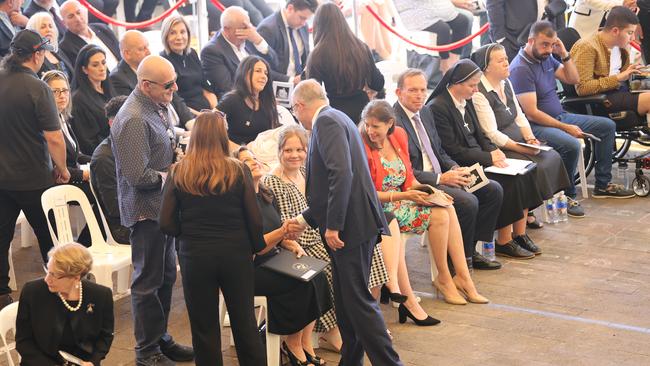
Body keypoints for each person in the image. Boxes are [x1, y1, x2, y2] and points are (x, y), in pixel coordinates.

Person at [288, 79, 403, 366]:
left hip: (349, 226)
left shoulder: (326, 122)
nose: (296, 115)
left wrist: (333, 225)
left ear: (300, 105)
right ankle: (350, 361)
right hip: (355, 221)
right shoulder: (337, 116)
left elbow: (341, 175)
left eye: (294, 109)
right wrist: (305, 219)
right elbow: (331, 181)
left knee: (359, 302)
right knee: (346, 302)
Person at [263, 126, 394, 352]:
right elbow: (283, 224)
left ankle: (361, 320)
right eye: (288, 150)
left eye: (300, 149)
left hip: (320, 232)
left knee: (374, 258)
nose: (295, 155)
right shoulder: (274, 181)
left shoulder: (306, 172)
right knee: (332, 268)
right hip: (299, 242)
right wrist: (293, 240)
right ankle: (334, 330)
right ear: (279, 152)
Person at [159, 112, 266, 366]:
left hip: (195, 255)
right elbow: (255, 219)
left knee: (204, 328)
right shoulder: (238, 170)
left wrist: (184, 235)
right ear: (222, 136)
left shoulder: (179, 172)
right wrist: (256, 247)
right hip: (235, 254)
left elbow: (165, 222)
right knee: (244, 324)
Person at [361, 99, 488, 307]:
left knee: (446, 206)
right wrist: (405, 196)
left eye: (375, 126)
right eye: (367, 124)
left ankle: (461, 276)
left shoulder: (399, 136)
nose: (370, 130)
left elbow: (409, 180)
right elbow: (367, 194)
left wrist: (430, 192)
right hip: (381, 207)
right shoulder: (363, 145)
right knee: (440, 215)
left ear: (390, 124)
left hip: (402, 199)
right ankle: (445, 279)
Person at [111, 55, 194, 366]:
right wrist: (172, 173)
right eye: (168, 84)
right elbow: (137, 176)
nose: (175, 87)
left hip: (163, 208)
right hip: (146, 212)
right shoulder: (133, 118)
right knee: (147, 283)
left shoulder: (156, 104)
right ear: (145, 85)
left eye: (174, 81)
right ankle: (146, 352)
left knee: (165, 276)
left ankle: (160, 339)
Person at [510, 21, 635, 216]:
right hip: (535, 126)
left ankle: (602, 184)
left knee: (607, 126)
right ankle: (566, 194)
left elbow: (574, 79)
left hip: (560, 116)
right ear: (531, 40)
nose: (548, 49)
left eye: (552, 44)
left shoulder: (546, 58)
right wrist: (565, 127)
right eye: (544, 44)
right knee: (571, 145)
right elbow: (532, 113)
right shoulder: (521, 68)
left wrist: (564, 54)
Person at [427, 59, 545, 258]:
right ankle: (491, 244)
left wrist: (494, 152)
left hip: (479, 159)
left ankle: (517, 234)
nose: (476, 90)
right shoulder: (438, 107)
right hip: (461, 165)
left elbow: (481, 135)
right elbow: (452, 150)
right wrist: (488, 157)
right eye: (472, 85)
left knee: (524, 172)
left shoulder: (468, 99)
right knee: (505, 184)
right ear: (457, 84)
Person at [393, 68, 503, 270]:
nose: (419, 95)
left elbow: (439, 150)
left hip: (442, 173)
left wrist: (455, 168)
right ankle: (457, 263)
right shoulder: (394, 122)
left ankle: (470, 250)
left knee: (492, 190)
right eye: (413, 90)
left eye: (423, 90)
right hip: (419, 184)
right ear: (399, 93)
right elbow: (403, 171)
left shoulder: (424, 111)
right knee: (467, 202)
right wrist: (441, 178)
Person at [234, 146, 332, 366]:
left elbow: (278, 233)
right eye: (247, 161)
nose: (254, 162)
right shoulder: (240, 201)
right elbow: (257, 246)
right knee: (300, 283)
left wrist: (292, 244)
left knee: (318, 274)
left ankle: (305, 342)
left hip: (274, 258)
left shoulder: (266, 194)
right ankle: (292, 344)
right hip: (252, 269)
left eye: (255, 158)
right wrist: (285, 231)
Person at [0, 29, 68, 308]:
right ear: (37, 55)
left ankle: (1, 293)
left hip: (1, 178)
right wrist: (62, 168)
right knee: (49, 236)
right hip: (33, 179)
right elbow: (54, 136)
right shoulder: (37, 87)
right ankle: (59, 287)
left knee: (1, 236)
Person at [471, 43, 571, 206]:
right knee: (536, 166)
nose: (506, 63)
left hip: (518, 139)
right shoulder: (479, 94)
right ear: (486, 67)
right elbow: (491, 133)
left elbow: (519, 115)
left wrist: (530, 138)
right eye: (500, 60)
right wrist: (521, 148)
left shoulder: (506, 82)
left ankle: (540, 205)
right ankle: (528, 209)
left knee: (552, 156)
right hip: (500, 146)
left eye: (506, 58)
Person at [16, 243, 114, 366]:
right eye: (48, 270)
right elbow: (23, 341)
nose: (47, 279)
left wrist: (92, 362)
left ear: (76, 277)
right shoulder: (32, 291)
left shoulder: (101, 295)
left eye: (54, 275)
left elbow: (105, 336)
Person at [43, 69, 106, 247]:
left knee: (109, 186)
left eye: (64, 90)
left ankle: (86, 243)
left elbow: (76, 155)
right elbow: (54, 168)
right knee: (106, 192)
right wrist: (85, 175)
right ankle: (85, 245)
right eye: (54, 92)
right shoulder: (45, 125)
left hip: (73, 175)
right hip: (58, 182)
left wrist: (98, 161)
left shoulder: (63, 118)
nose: (62, 95)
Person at [306, 3, 385, 123]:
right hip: (363, 112)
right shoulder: (361, 47)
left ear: (318, 25)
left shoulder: (317, 55)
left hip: (335, 115)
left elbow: (312, 94)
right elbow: (377, 83)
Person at [572, 7, 650, 121]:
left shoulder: (619, 46)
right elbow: (583, 88)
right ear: (615, 31)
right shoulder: (587, 47)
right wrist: (618, 78)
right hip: (601, 100)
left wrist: (635, 72)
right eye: (630, 33)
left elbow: (619, 73)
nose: (632, 38)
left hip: (621, 89)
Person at [109, 30, 194, 127]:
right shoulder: (118, 78)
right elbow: (141, 117)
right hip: (159, 131)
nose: (148, 52)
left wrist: (190, 124)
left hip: (179, 124)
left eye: (148, 46)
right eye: (142, 49)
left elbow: (175, 98)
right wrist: (181, 134)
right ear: (127, 54)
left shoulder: (153, 65)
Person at [201, 6, 281, 98]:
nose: (249, 31)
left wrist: (259, 41)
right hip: (241, 102)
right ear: (227, 29)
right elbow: (227, 88)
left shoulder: (249, 38)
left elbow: (275, 64)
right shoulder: (212, 51)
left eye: (249, 26)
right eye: (244, 28)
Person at [90, 95, 131, 245]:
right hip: (120, 227)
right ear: (113, 123)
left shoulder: (131, 146)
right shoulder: (104, 158)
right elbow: (115, 209)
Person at [393, 0, 473, 73]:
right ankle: (444, 65)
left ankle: (454, 62)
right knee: (443, 30)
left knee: (462, 21)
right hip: (411, 10)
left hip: (431, 7)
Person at [160, 14, 218, 113]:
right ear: (166, 37)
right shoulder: (163, 61)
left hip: (206, 111)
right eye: (173, 33)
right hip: (186, 115)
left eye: (183, 32)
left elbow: (205, 86)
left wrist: (215, 111)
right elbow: (174, 102)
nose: (179, 37)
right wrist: (201, 116)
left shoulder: (192, 53)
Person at [217, 55, 280, 144]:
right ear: (245, 73)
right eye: (258, 71)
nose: (264, 76)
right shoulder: (231, 100)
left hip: (261, 154)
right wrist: (241, 151)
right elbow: (211, 131)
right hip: (235, 154)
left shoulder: (267, 102)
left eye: (266, 73)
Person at [257, 0, 317, 83]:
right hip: (278, 86)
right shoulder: (268, 29)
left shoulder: (303, 26)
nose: (304, 23)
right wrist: (291, 80)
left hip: (300, 83)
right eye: (302, 18)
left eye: (306, 19)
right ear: (290, 9)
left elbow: (305, 57)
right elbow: (261, 68)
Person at [70, 44, 114, 155]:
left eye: (103, 63)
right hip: (102, 156)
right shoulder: (78, 100)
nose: (102, 68)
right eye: (95, 65)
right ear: (84, 69)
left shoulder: (109, 89)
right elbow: (87, 142)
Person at [59, 0, 120, 71]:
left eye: (79, 12)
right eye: (71, 16)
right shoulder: (66, 48)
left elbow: (121, 55)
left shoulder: (103, 28)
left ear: (86, 11)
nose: (78, 19)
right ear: (64, 23)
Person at [26, 11, 73, 79]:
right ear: (33, 32)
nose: (48, 30)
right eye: (43, 27)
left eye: (50, 26)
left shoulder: (58, 51)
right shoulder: (32, 57)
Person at [569, 0, 637, 38]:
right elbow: (590, 1)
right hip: (585, 23)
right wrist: (622, 3)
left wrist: (630, 5)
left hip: (609, 21)